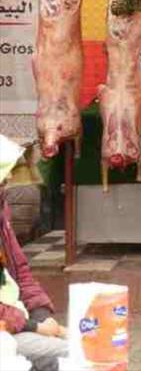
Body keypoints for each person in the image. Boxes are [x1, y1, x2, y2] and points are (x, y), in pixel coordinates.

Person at [0, 136, 68, 371]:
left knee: (81, 347)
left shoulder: (2, 212)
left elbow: (20, 271)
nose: (9, 179)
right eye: (4, 173)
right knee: (68, 355)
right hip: (6, 329)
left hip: (12, 322)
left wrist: (41, 314)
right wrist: (35, 327)